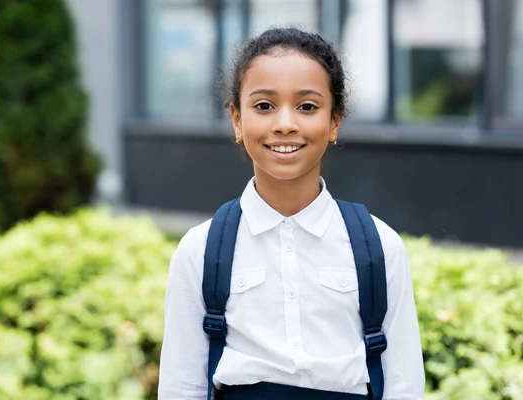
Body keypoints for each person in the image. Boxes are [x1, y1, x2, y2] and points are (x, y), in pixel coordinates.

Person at [158, 27, 424, 400]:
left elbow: (403, 386)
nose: (285, 123)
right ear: (236, 120)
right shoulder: (200, 250)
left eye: (308, 107)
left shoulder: (379, 246)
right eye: (264, 106)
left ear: (335, 121)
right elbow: (181, 387)